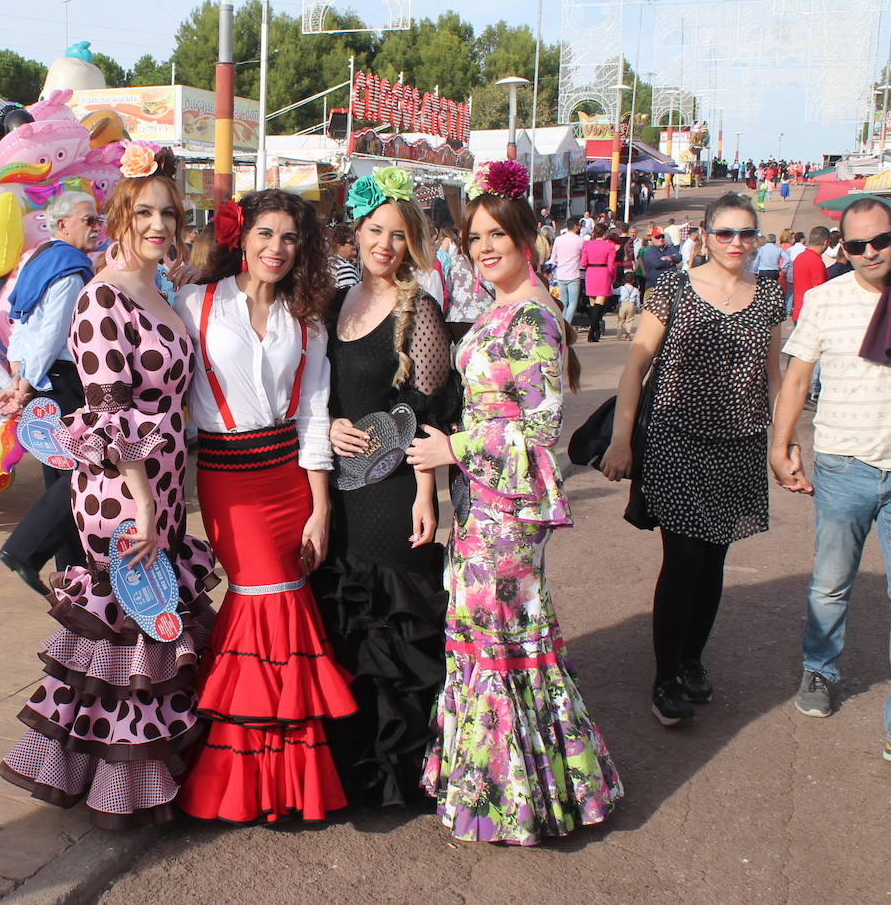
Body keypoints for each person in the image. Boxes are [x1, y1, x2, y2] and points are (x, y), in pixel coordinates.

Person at [0, 144, 218, 829]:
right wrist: (145, 502)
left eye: (168, 214)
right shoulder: (101, 297)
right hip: (122, 492)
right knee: (127, 637)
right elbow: (108, 411)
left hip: (163, 486)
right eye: (143, 212)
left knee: (150, 629)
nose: (158, 225)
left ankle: (143, 773)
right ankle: (119, 788)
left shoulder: (163, 290)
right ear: (119, 217)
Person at [409, 160, 621, 844]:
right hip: (486, 501)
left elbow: (539, 427)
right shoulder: (504, 307)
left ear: (527, 238)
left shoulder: (531, 315)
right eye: (475, 237)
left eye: (497, 234)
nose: (484, 247)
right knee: (493, 637)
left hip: (508, 506)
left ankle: (512, 798)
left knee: (500, 639)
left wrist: (454, 448)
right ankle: (514, 787)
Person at [173, 190, 355, 823]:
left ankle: (278, 782)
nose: (277, 248)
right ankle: (247, 779)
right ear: (241, 237)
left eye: (290, 237)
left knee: (284, 606)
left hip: (289, 481)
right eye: (266, 234)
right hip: (228, 481)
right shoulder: (192, 304)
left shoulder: (308, 322)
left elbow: (313, 415)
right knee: (262, 604)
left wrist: (320, 509)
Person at [601, 193, 783, 726]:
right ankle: (665, 679)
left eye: (746, 233)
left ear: (756, 237)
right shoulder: (674, 289)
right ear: (705, 235)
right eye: (725, 232)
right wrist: (621, 440)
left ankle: (691, 659)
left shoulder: (769, 296)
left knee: (713, 560)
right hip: (676, 440)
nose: (736, 243)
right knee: (683, 559)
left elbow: (772, 374)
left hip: (740, 443)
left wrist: (783, 440)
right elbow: (635, 368)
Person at [309, 167, 459, 808]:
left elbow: (428, 415)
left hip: (394, 492)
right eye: (376, 231)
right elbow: (317, 393)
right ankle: (352, 768)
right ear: (359, 230)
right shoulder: (334, 302)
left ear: (412, 244)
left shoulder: (419, 309)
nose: (385, 245)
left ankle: (397, 775)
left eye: (398, 236)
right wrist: (329, 424)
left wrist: (427, 494)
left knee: (393, 626)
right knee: (346, 625)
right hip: (339, 491)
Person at [770, 196, 891, 763]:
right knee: (832, 581)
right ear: (843, 246)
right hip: (845, 464)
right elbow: (797, 379)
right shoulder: (825, 299)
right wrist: (781, 444)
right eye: (858, 244)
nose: (871, 252)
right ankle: (819, 669)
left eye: (881, 240)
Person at [0, 192, 101, 593]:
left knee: (60, 473)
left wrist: (20, 376)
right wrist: (24, 384)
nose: (96, 227)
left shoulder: (39, 259)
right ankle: (26, 551)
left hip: (41, 380)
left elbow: (20, 323)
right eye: (88, 220)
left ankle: (70, 577)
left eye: (97, 220)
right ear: (62, 225)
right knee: (81, 475)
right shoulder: (71, 270)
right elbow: (52, 333)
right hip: (61, 381)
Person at [581, 223, 617, 342]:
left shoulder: (587, 245)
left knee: (593, 304)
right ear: (605, 234)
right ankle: (592, 331)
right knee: (599, 304)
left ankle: (595, 331)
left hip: (591, 272)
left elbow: (583, 263)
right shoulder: (609, 246)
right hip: (603, 273)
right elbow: (611, 265)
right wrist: (612, 276)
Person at [791, 226, 830, 324]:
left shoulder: (799, 257)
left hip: (799, 311)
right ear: (825, 243)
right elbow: (819, 292)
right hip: (811, 315)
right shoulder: (816, 261)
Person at [549, 218, 585, 323]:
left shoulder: (558, 239)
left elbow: (553, 258)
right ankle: (567, 323)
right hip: (574, 274)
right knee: (573, 302)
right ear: (575, 226)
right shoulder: (580, 241)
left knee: (563, 302)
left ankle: (563, 323)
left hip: (561, 274)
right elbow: (583, 259)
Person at [642, 227, 682, 296]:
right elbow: (657, 264)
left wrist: (667, 259)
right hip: (656, 287)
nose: (661, 239)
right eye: (657, 237)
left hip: (672, 286)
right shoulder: (650, 252)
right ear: (652, 238)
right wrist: (671, 261)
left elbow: (679, 257)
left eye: (662, 236)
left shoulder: (669, 248)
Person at [328, 223, 361, 289]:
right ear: (339, 246)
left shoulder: (327, 265)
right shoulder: (344, 268)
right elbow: (350, 294)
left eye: (355, 241)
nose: (355, 245)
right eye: (351, 242)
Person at [615, 271, 642, 340]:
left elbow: (613, 292)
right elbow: (638, 300)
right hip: (631, 305)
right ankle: (628, 335)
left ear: (623, 279)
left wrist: (611, 285)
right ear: (633, 281)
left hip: (623, 304)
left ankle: (619, 335)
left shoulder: (621, 288)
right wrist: (638, 308)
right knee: (630, 320)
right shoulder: (635, 290)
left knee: (621, 320)